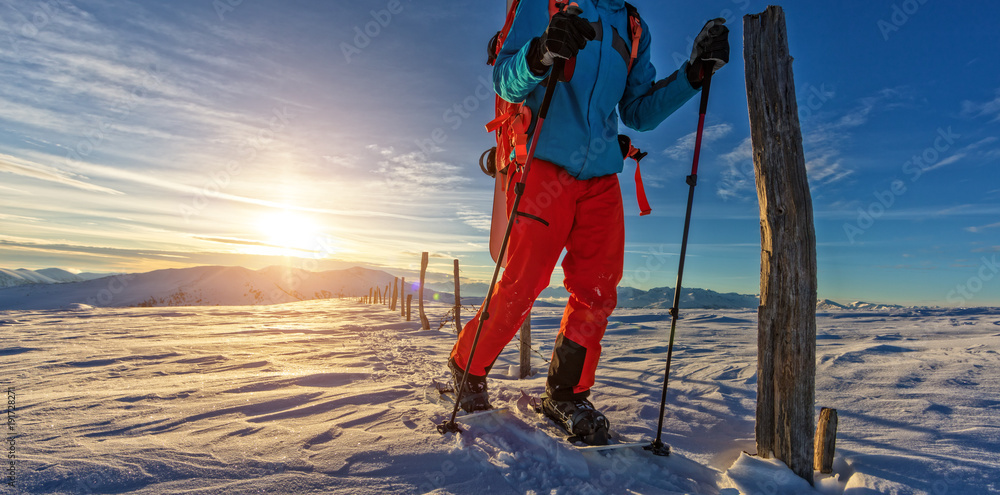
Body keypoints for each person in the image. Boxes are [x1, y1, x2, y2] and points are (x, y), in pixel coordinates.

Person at [449, 0, 730, 444]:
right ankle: (466, 366)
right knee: (523, 282)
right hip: (542, 163)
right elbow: (505, 78)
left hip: (600, 175)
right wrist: (540, 52)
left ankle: (567, 393)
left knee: (597, 291)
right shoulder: (543, 4)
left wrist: (694, 75)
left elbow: (638, 111)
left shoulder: (633, 25)